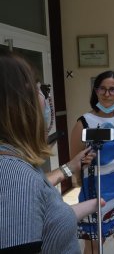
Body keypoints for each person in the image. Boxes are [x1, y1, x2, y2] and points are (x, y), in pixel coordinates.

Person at [0, 50, 102, 253]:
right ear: (17, 103)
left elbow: (43, 218)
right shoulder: (13, 175)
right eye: (40, 89)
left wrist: (87, 203)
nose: (46, 98)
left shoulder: (16, 164)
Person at [70, 70, 114, 254]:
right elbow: (75, 161)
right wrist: (81, 176)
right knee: (94, 241)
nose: (107, 94)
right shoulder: (84, 122)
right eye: (102, 89)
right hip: (94, 189)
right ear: (95, 91)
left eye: (112, 89)